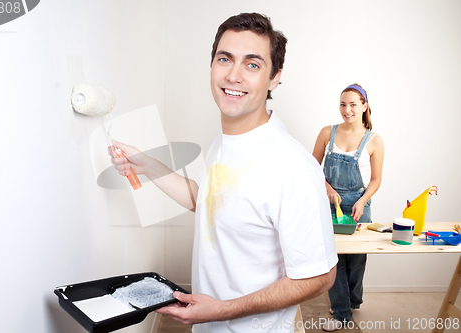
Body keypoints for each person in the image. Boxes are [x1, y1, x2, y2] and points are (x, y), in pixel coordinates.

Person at [109, 13, 337, 332]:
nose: (233, 75)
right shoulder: (227, 143)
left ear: (274, 78)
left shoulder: (292, 166)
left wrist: (221, 310)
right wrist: (145, 164)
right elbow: (207, 201)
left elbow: (320, 276)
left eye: (252, 64)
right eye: (225, 59)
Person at [312, 84, 384, 331]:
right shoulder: (326, 133)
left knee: (356, 260)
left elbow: (376, 180)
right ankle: (342, 313)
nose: (347, 109)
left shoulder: (374, 141)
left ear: (364, 105)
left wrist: (362, 201)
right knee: (334, 260)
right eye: (343, 104)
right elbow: (311, 171)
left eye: (353, 104)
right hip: (329, 204)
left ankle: (352, 301)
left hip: (359, 205)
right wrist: (327, 189)